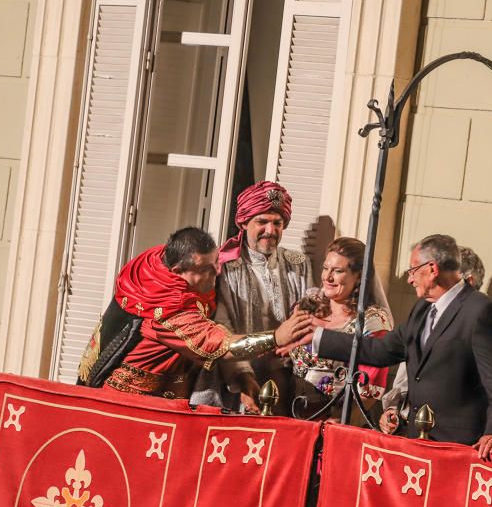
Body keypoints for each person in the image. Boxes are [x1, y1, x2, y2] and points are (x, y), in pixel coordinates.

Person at [311, 234, 492, 459]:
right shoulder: (422, 309)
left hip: (460, 447)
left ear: (432, 269)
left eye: (413, 270)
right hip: (417, 441)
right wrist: (319, 337)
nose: (410, 279)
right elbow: (380, 350)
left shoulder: (480, 311)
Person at [77, 227, 313, 398]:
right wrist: (276, 338)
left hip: (169, 388)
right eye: (208, 270)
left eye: (216, 264)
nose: (217, 273)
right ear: (179, 271)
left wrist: (241, 376)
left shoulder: (154, 262)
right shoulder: (169, 310)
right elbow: (221, 345)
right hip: (134, 400)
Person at [191, 180, 313, 414]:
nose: (271, 230)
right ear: (244, 222)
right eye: (262, 222)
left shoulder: (299, 264)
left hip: (286, 379)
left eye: (277, 223)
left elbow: (308, 319)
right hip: (235, 379)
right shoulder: (225, 268)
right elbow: (222, 329)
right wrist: (244, 379)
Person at [380, 245, 485, 435]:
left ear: (468, 281)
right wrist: (393, 409)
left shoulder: (482, 322)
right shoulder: (426, 316)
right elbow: (408, 375)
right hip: (410, 431)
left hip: (450, 438)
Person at [288, 237, 392, 421]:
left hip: (337, 420)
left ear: (359, 276)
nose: (327, 277)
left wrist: (340, 422)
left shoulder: (371, 322)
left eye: (337, 271)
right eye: (325, 268)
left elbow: (370, 391)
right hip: (292, 414)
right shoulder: (307, 307)